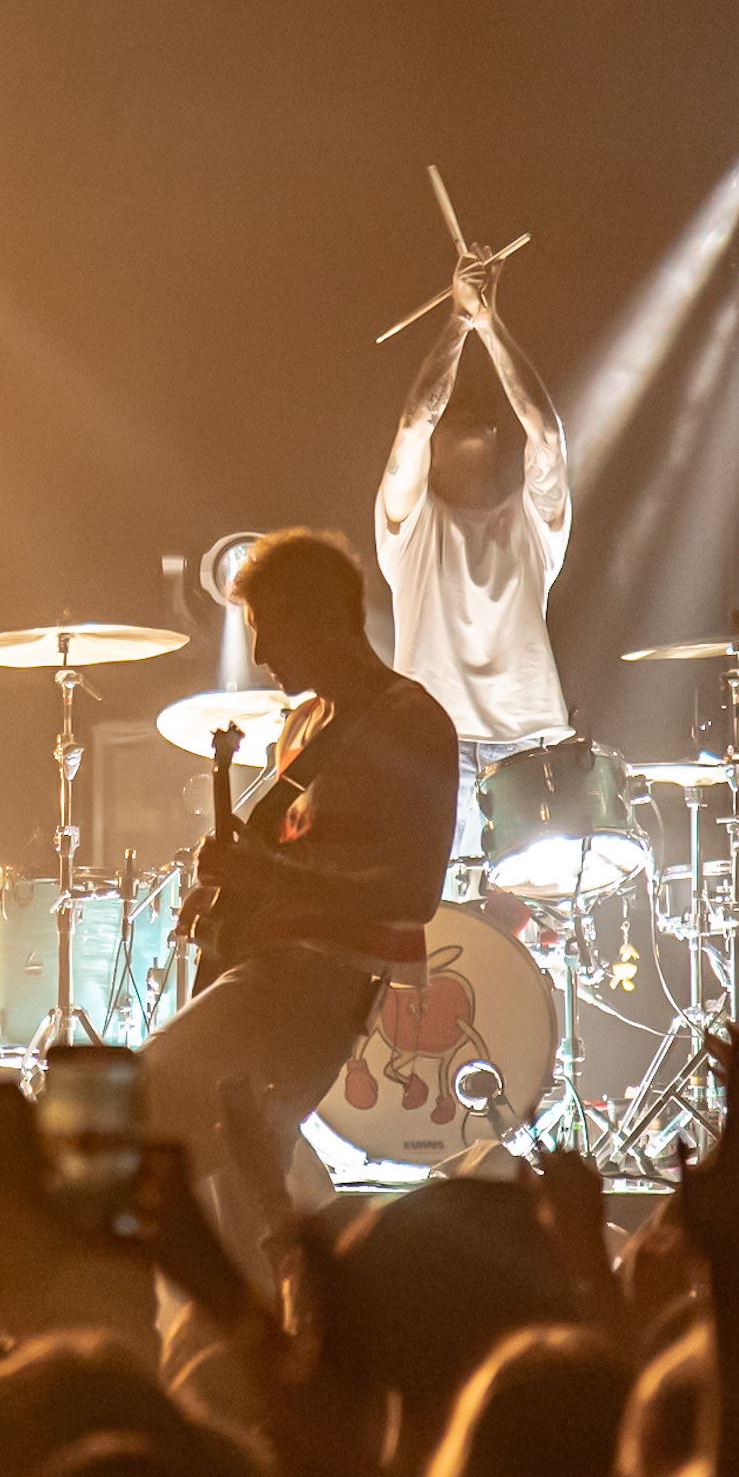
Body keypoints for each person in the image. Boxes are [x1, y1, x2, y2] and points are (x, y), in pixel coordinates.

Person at [141, 529, 460, 1250]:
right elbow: (292, 861)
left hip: (316, 988)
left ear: (325, 619)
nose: (259, 653)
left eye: (269, 627)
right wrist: (228, 890)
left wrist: (267, 875)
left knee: (144, 1095)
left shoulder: (412, 722)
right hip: (266, 972)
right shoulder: (304, 725)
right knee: (243, 1188)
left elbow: (413, 894)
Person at [373, 244, 572, 887]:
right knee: (432, 918)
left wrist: (490, 322)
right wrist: (459, 321)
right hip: (432, 747)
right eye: (458, 425)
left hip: (530, 748)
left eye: (486, 427)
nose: (476, 433)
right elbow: (414, 421)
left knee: (529, 923)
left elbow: (546, 433)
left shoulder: (536, 526)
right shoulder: (409, 526)